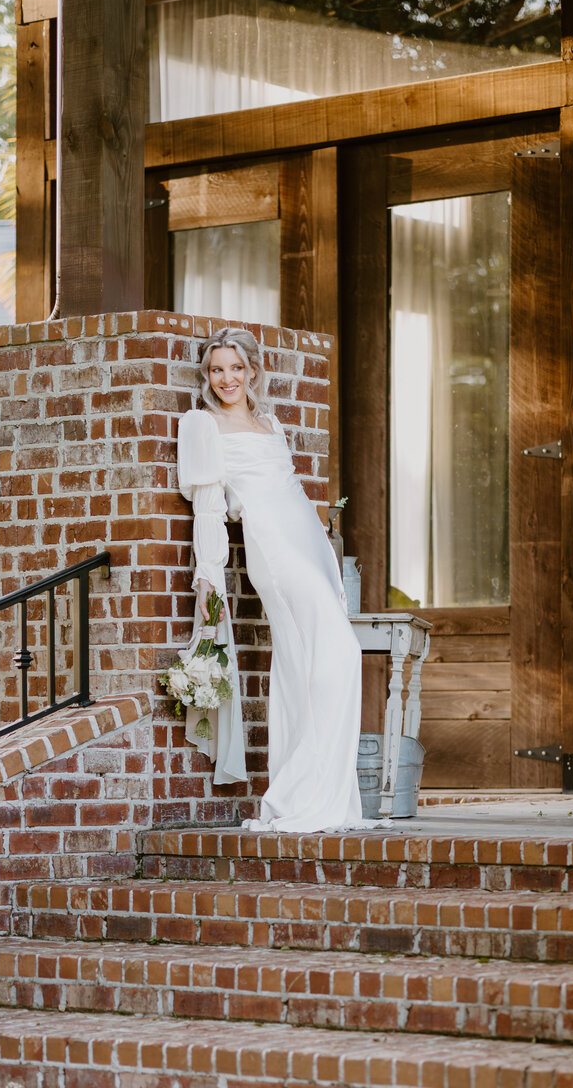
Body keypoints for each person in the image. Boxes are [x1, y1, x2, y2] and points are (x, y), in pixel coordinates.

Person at [177, 327, 382, 831]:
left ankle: (316, 792)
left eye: (236, 368)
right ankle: (300, 788)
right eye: (216, 370)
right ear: (208, 377)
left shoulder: (270, 423)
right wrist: (209, 574)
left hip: (306, 542)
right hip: (270, 545)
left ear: (252, 372)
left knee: (306, 662)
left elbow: (294, 495)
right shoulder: (202, 425)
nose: (227, 378)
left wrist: (329, 562)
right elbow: (208, 507)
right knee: (337, 653)